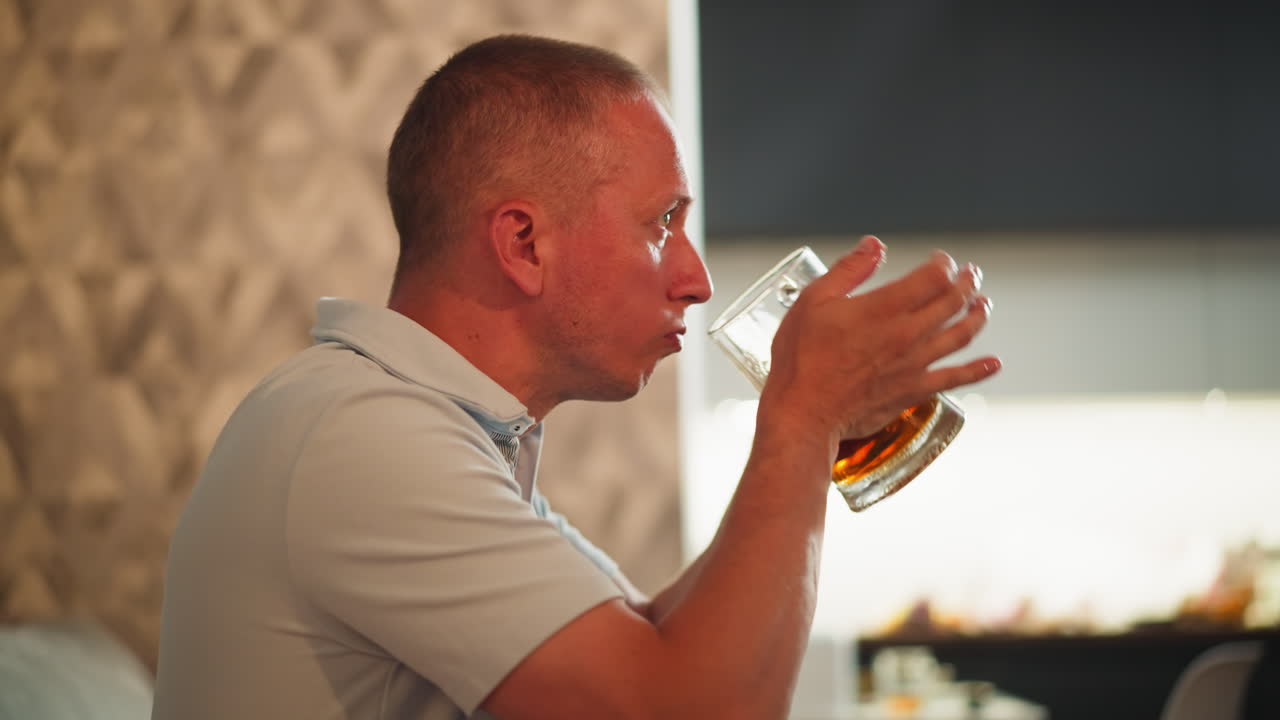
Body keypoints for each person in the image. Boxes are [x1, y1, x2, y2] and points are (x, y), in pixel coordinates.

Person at [151, 34, 999, 720]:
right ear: (524, 244)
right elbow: (696, 709)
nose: (697, 280)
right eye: (662, 223)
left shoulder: (439, 429)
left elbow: (651, 636)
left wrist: (806, 432)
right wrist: (802, 422)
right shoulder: (364, 434)